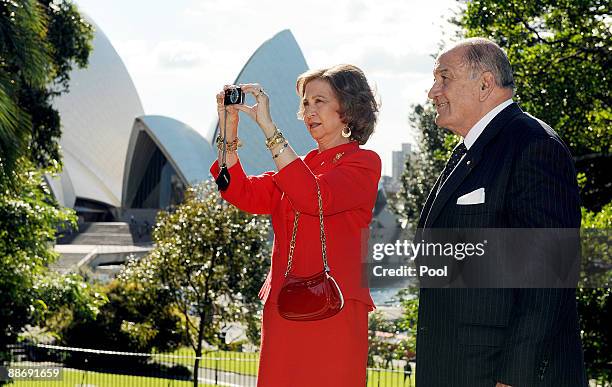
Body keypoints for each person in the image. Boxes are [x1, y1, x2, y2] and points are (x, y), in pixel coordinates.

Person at [415, 38, 587, 386]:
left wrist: (514, 377)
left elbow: (550, 277)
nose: (433, 91)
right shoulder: (467, 152)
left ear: (485, 84)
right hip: (458, 368)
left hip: (499, 375)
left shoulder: (533, 145)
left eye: (444, 77)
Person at [209, 64, 381, 386]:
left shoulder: (364, 162)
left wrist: (268, 127)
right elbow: (239, 191)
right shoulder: (299, 166)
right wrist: (228, 128)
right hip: (285, 307)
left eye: (319, 101)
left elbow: (314, 197)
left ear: (347, 107)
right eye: (305, 103)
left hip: (334, 306)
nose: (309, 110)